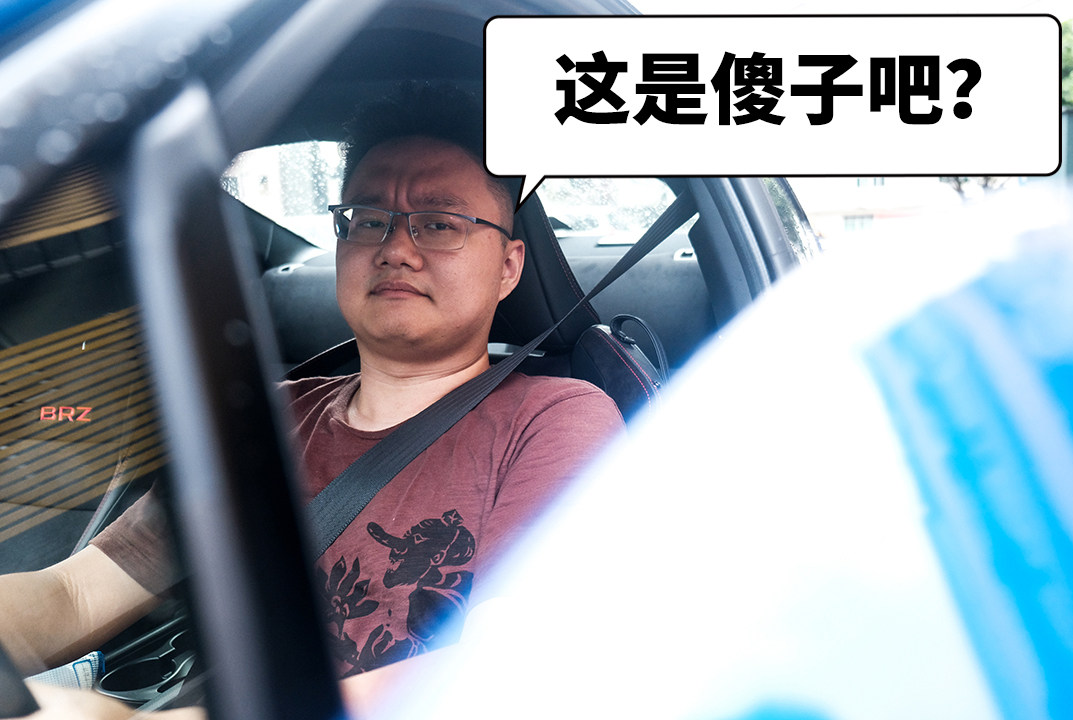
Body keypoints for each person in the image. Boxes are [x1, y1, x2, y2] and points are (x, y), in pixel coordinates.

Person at [1, 85, 625, 718]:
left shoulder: (556, 421)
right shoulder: (265, 417)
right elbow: (76, 595)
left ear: (509, 267)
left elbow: (516, 666)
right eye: (368, 220)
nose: (395, 249)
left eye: (439, 224)